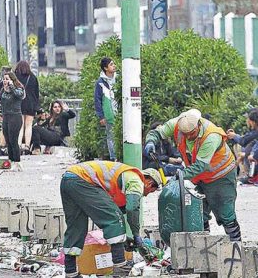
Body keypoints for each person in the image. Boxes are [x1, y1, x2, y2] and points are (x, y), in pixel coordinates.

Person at [144, 109, 241, 241]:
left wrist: (180, 175)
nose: (188, 137)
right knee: (198, 212)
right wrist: (150, 141)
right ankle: (203, 248)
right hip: (198, 177)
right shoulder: (178, 124)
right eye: (185, 134)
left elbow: (201, 166)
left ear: (199, 125)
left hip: (220, 176)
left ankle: (237, 248)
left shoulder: (211, 136)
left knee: (225, 213)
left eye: (191, 133)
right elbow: (156, 132)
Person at [60, 161, 163, 277]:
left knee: (76, 227)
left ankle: (71, 272)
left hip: (68, 180)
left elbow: (103, 218)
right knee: (115, 219)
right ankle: (120, 267)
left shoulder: (119, 183)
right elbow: (132, 209)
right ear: (149, 183)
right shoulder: (136, 179)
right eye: (151, 191)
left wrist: (122, 240)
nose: (146, 195)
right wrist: (136, 235)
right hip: (83, 180)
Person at [0, 71, 25, 171]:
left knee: (13, 139)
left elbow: (19, 96)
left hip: (15, 116)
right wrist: (2, 88)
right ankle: (12, 160)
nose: (5, 81)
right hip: (6, 116)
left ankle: (17, 161)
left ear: (12, 80)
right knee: (7, 140)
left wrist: (12, 87)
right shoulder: (3, 90)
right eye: (4, 79)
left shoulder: (18, 88)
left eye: (7, 79)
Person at [14, 61, 40, 154]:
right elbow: (37, 93)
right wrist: (37, 106)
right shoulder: (33, 77)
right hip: (31, 104)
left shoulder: (15, 77)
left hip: (19, 103)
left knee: (20, 125)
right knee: (28, 125)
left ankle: (19, 145)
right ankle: (27, 146)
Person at [226, 108, 258, 183]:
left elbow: (243, 141)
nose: (247, 121)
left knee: (245, 152)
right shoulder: (254, 130)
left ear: (253, 121)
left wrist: (234, 136)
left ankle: (252, 176)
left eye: (248, 119)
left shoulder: (256, 132)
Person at [95, 57, 117, 161]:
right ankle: (114, 157)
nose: (114, 66)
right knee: (111, 136)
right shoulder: (100, 82)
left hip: (119, 113)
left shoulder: (118, 79)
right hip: (109, 115)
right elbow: (97, 100)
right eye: (111, 64)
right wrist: (101, 116)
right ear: (105, 68)